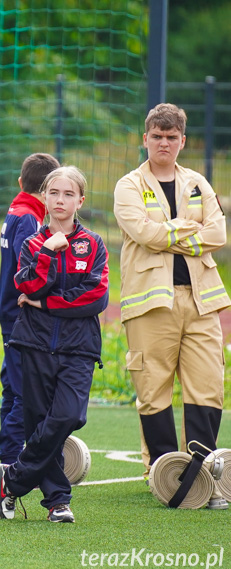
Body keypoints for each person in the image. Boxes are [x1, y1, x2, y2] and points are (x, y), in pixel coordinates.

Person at [113, 104, 229, 508]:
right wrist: (186, 230)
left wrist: (169, 233)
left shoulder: (197, 182)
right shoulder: (128, 185)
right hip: (150, 304)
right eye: (157, 136)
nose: (164, 143)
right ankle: (163, 474)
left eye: (172, 137)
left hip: (201, 301)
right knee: (153, 388)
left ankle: (201, 475)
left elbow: (218, 233)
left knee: (208, 386)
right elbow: (142, 232)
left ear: (182, 140)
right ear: (145, 139)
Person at [0, 166, 109, 524]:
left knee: (68, 416)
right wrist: (48, 251)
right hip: (35, 345)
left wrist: (47, 304)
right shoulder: (31, 243)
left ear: (80, 201)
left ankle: (11, 480)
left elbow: (96, 296)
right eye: (54, 193)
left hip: (79, 347)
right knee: (39, 422)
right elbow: (27, 287)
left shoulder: (94, 244)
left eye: (68, 194)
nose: (60, 200)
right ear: (44, 196)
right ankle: (58, 500)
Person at [0, 153, 60, 465]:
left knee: (12, 386)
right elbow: (29, 270)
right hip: (22, 317)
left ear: (22, 183)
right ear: (48, 189)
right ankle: (10, 461)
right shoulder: (29, 219)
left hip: (8, 313)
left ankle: (8, 455)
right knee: (25, 392)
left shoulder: (15, 211)